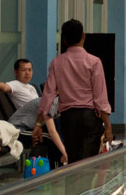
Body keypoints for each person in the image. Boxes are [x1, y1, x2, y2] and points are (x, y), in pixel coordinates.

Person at [34, 19, 112, 163]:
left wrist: (38, 124)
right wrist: (108, 126)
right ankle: (87, 186)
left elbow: (48, 95)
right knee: (88, 163)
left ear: (64, 40)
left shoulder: (56, 63)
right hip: (90, 118)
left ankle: (74, 185)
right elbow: (100, 98)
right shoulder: (94, 62)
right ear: (83, 36)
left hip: (68, 119)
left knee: (73, 161)